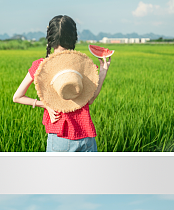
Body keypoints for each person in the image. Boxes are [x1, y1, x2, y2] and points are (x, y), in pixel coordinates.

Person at [13, 15, 111, 152]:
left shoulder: (40, 66)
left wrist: (45, 104)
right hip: (87, 136)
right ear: (73, 37)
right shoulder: (83, 66)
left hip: (60, 138)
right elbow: (90, 100)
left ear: (50, 38)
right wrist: (103, 71)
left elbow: (17, 97)